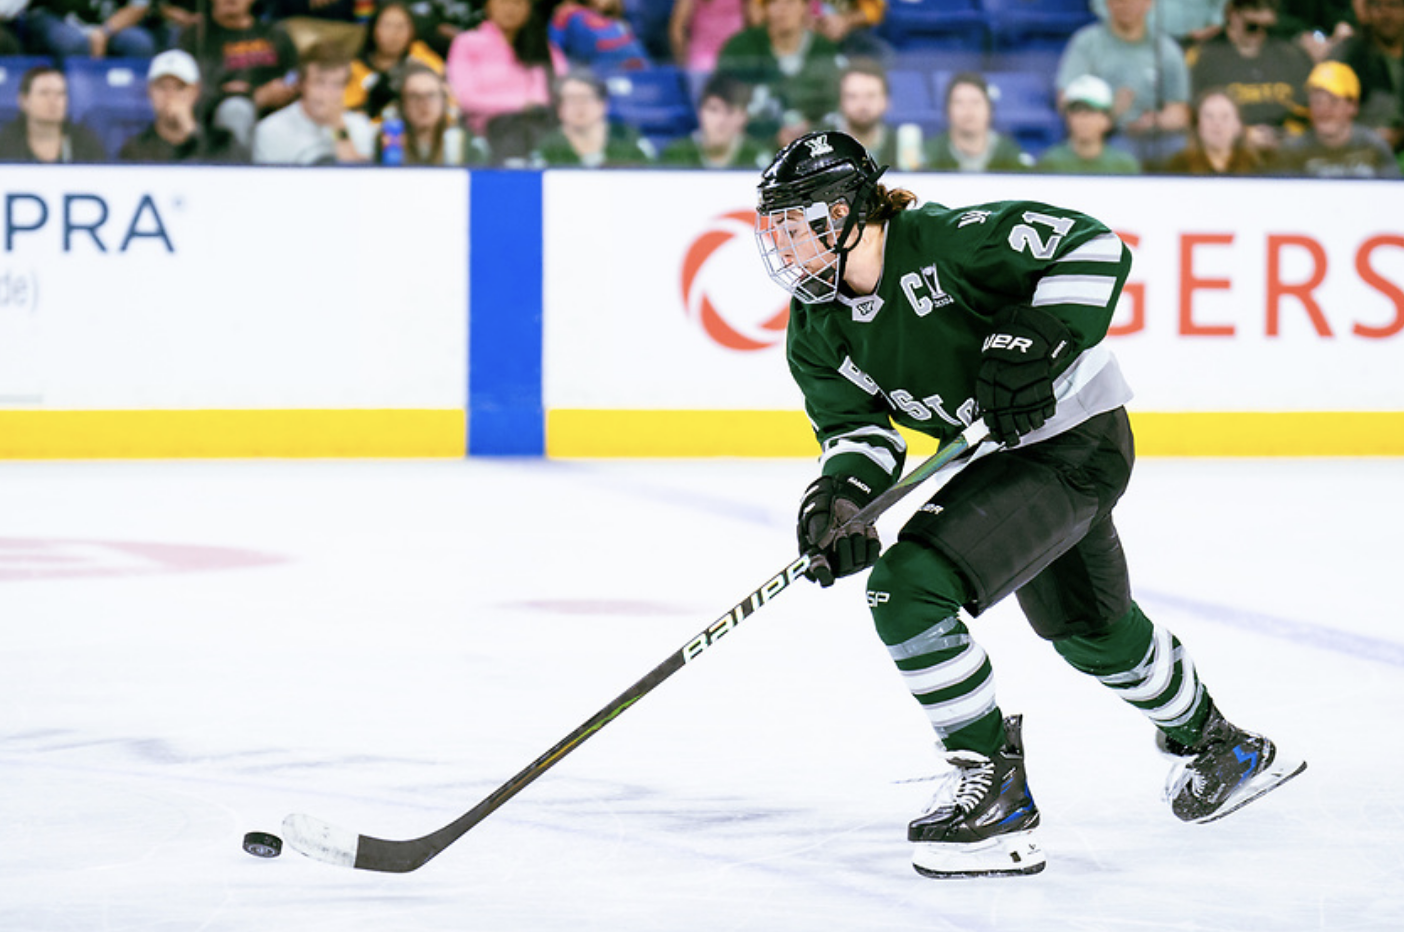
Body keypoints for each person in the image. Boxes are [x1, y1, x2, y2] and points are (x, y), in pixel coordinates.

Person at [751, 128, 1308, 879]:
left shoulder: (949, 241)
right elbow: (858, 433)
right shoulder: (816, 328)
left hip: (1077, 441)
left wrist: (1038, 334)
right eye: (778, 227)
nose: (787, 244)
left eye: (801, 222)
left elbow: (1094, 247)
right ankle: (1221, 744)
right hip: (1019, 459)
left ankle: (994, 790)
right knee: (1092, 632)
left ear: (851, 212)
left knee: (906, 589)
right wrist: (843, 498)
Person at [1056, 0, 1191, 163]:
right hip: (1107, 135)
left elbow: (1179, 112)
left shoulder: (1166, 49)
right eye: (1120, 1)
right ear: (1107, 3)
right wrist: (1110, 113)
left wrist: (1153, 121)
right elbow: (1065, 99)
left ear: (1149, 3)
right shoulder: (1086, 43)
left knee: (1180, 148)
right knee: (1119, 149)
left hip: (1155, 135)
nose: (1126, 5)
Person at [1186, 0, 1314, 155]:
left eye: (1266, 27)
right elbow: (1193, 118)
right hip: (1230, 148)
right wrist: (1242, 134)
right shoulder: (1203, 58)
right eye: (1252, 26)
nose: (1260, 34)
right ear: (1233, 16)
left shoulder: (1292, 55)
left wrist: (1286, 134)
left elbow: (1310, 109)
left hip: (1288, 147)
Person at [714, 0, 845, 149]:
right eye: (774, 2)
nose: (782, 9)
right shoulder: (740, 48)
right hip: (751, 149)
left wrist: (809, 129)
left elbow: (835, 106)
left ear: (805, 7)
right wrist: (770, 133)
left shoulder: (824, 50)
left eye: (789, 3)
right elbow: (722, 103)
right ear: (765, 8)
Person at [445, 0, 566, 153]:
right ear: (488, 6)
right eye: (503, 2)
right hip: (482, 137)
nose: (510, 9)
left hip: (539, 131)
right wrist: (521, 104)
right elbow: (464, 97)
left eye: (517, 3)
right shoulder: (467, 42)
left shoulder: (545, 47)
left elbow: (558, 93)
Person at [178, 0, 300, 149]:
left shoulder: (275, 34)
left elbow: (297, 77)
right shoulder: (196, 37)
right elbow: (191, 93)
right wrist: (255, 98)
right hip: (220, 123)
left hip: (277, 117)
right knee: (236, 110)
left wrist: (287, 89)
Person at [253, 38, 376, 163]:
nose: (327, 94)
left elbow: (358, 179)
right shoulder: (270, 131)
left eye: (336, 85)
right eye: (319, 82)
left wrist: (338, 127)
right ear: (301, 84)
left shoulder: (359, 126)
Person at [119, 49, 250, 163]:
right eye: (162, 87)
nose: (170, 95)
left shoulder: (222, 142)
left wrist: (192, 133)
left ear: (195, 91)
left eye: (179, 87)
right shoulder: (136, 148)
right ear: (150, 91)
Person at [1277, 58, 1402, 171]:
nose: (1324, 110)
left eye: (1333, 101)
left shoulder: (1373, 146)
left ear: (1352, 106)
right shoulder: (1294, 151)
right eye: (1317, 102)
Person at [530, 67, 653, 165]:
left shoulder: (629, 139)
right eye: (571, 99)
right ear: (559, 108)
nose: (579, 106)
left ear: (602, 104)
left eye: (585, 99)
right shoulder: (548, 148)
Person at [347, 0, 446, 120]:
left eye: (401, 26)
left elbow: (444, 98)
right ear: (374, 28)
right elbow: (349, 112)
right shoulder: (355, 68)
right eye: (387, 25)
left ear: (412, 31)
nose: (394, 33)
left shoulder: (422, 58)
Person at [1329, 0, 1404, 149]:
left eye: (1393, 5)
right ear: (1366, 11)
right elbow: (1326, 109)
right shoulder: (1347, 53)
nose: (1385, 14)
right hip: (1358, 150)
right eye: (1377, 6)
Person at [925, 71, 1034, 172]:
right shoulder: (929, 155)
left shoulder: (1010, 155)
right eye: (959, 102)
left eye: (976, 102)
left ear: (990, 109)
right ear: (947, 110)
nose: (968, 110)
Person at [659, 71, 771, 167]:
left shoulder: (758, 157)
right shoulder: (675, 154)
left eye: (729, 111)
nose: (721, 120)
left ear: (743, 117)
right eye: (713, 110)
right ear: (700, 112)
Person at [0, 64, 107, 162]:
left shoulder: (87, 143)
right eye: (44, 93)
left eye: (60, 94)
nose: (53, 101)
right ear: (24, 100)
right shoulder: (4, 144)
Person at [1036, 73, 1142, 173]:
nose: (1083, 119)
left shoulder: (1124, 165)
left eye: (1090, 111)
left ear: (1106, 119)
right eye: (1076, 111)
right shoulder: (1051, 162)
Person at [389, 60, 488, 163]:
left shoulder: (465, 146)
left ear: (444, 101)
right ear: (402, 103)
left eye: (431, 95)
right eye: (414, 96)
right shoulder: (386, 143)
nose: (424, 104)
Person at [818, 59, 905, 167]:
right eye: (853, 96)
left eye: (871, 96)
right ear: (840, 102)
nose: (862, 105)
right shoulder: (821, 147)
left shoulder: (902, 145)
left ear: (886, 101)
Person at [1160, 86, 1268, 172]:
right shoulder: (1179, 167)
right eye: (1209, 116)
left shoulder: (1256, 166)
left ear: (1238, 125)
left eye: (1225, 117)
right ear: (1198, 125)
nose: (1217, 124)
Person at [22, 0, 159, 59]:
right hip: (54, 17)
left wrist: (104, 31)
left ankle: (130, 109)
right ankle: (77, 108)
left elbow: (139, 5)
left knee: (139, 43)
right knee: (75, 43)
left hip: (104, 23)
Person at [548, 0, 651, 71]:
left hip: (635, 79)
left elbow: (641, 60)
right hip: (588, 80)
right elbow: (554, 52)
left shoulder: (621, 21)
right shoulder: (567, 15)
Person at [669, 0, 756, 73]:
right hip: (702, 61)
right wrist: (683, 64)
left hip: (736, 57)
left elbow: (755, 22)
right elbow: (677, 29)